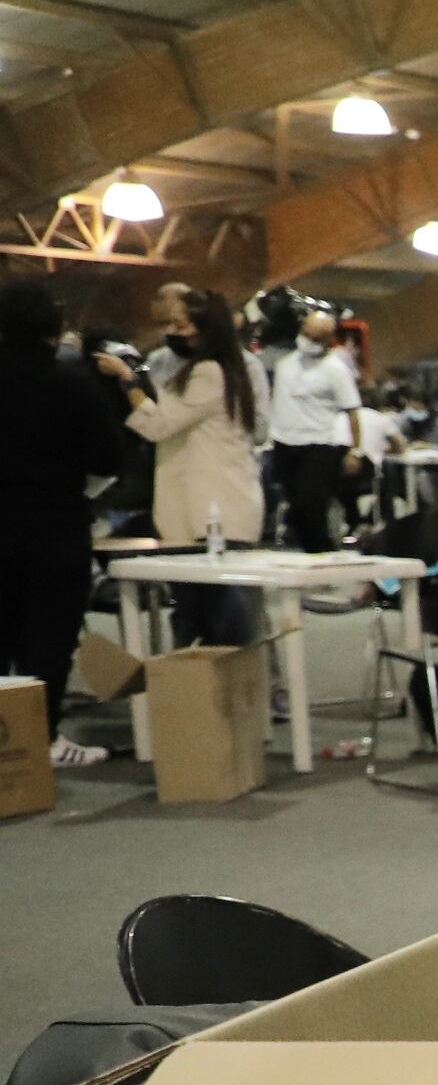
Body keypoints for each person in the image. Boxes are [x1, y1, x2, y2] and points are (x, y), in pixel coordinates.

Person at [0, 281, 130, 764]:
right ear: (53, 327)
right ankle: (43, 739)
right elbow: (108, 458)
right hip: (55, 522)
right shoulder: (73, 383)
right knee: (48, 636)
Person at [99, 284, 263, 552]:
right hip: (212, 506)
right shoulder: (226, 368)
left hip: (212, 510)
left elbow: (158, 425)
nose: (171, 332)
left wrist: (128, 380)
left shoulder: (208, 373)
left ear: (204, 329)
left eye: (180, 325)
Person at [262, 306, 361, 552]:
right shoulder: (285, 364)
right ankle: (306, 552)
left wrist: (355, 450)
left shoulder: (336, 370)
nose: (309, 341)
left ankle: (322, 553)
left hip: (318, 445)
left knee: (312, 505)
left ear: (329, 339)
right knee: (294, 507)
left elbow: (352, 411)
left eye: (317, 338)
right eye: (307, 334)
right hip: (284, 443)